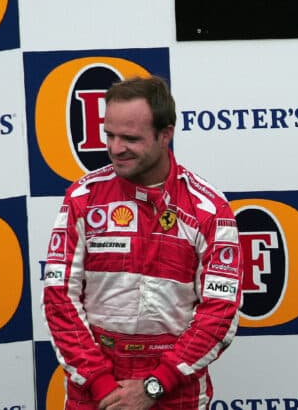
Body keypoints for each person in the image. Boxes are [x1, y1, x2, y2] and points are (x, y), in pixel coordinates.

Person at [42, 75, 243, 410]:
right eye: (110, 135)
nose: (115, 148)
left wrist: (153, 386)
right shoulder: (83, 197)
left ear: (166, 134)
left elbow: (219, 313)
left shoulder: (208, 209)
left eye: (130, 138)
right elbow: (59, 299)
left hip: (176, 391)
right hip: (94, 393)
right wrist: (104, 386)